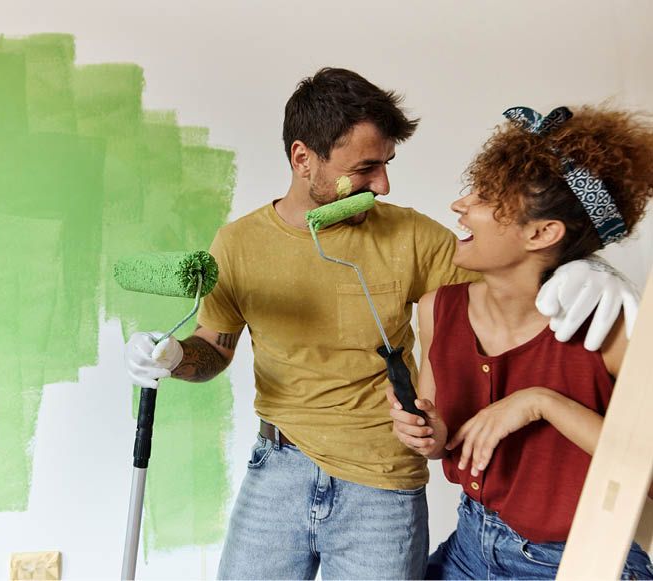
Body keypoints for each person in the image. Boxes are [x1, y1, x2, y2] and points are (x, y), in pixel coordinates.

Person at [123, 69, 639, 580]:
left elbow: (517, 265)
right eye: (367, 167)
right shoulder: (237, 243)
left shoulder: (413, 235)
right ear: (304, 159)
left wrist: (588, 268)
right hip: (277, 467)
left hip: (383, 483)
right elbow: (213, 352)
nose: (383, 185)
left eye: (387, 164)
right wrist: (170, 358)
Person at [388, 105, 653, 579]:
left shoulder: (607, 328)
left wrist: (540, 404)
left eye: (487, 196)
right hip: (469, 546)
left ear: (542, 232)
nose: (460, 204)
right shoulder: (437, 309)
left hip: (577, 560)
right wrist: (429, 435)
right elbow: (442, 439)